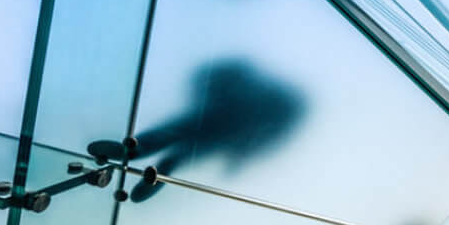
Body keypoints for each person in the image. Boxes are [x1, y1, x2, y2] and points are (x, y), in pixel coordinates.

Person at [87, 60, 305, 202]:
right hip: (219, 126)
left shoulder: (261, 91)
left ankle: (142, 156)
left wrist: (242, 155)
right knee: (177, 148)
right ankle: (151, 164)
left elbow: (209, 75)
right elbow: (211, 75)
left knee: (171, 137)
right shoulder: (262, 92)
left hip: (215, 122)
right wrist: (242, 155)